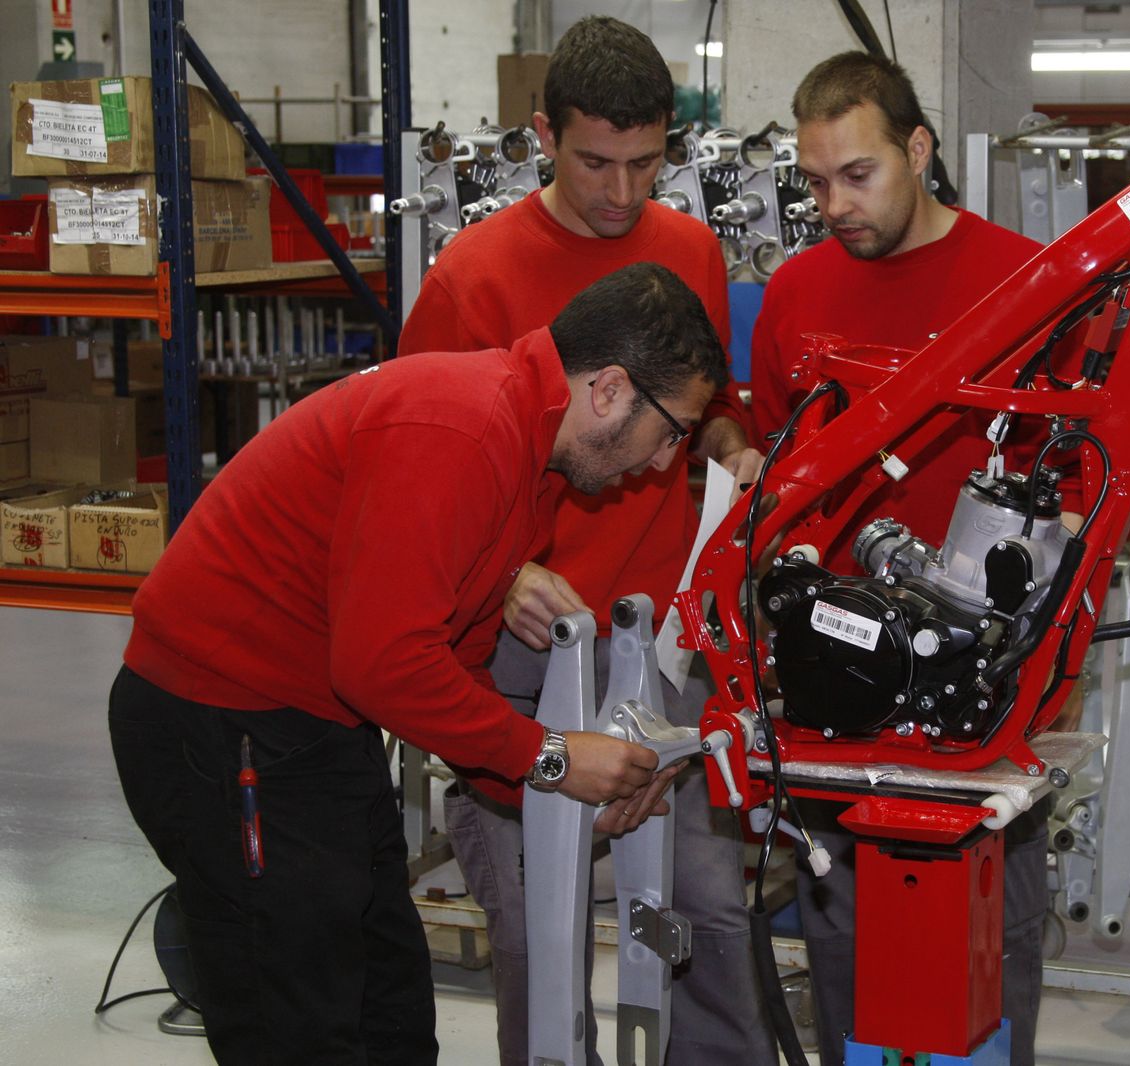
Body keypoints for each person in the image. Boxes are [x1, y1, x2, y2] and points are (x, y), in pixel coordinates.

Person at [108, 263, 724, 1065]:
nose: (661, 462)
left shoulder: (529, 463)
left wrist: (563, 788)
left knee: (389, 1013)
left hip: (318, 730)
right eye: (673, 430)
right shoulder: (461, 426)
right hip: (226, 728)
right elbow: (381, 665)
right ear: (610, 389)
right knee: (296, 1024)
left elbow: (448, 668)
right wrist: (552, 756)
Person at [397, 16, 774, 1066]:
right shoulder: (473, 275)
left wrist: (734, 449)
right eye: (593, 163)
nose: (620, 193)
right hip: (524, 641)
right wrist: (508, 570)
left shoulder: (689, 248)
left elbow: (717, 405)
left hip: (665, 638)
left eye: (646, 164)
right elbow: (419, 469)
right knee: (534, 923)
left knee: (705, 907)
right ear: (540, 138)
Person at [750, 51, 1060, 1066]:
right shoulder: (794, 296)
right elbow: (771, 476)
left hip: (982, 690)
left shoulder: (1025, 283)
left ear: (916, 149)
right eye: (815, 180)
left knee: (987, 951)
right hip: (842, 687)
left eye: (858, 174)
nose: (833, 202)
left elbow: (1081, 484)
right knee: (846, 949)